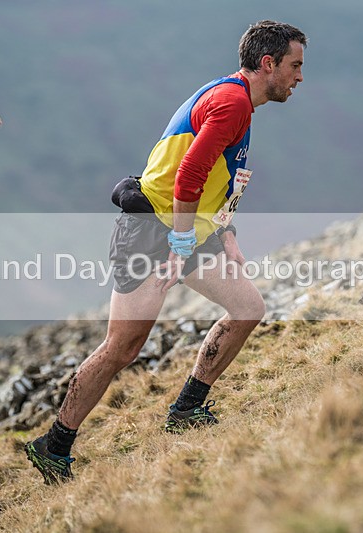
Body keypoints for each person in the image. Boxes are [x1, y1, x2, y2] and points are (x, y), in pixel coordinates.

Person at [25, 20, 306, 484]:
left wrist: (225, 231)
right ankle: (53, 445)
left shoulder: (235, 99)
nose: (299, 78)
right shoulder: (233, 103)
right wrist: (177, 244)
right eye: (295, 67)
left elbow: (217, 176)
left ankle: (186, 408)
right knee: (123, 347)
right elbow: (188, 176)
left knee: (248, 308)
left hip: (188, 230)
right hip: (153, 231)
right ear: (268, 63)